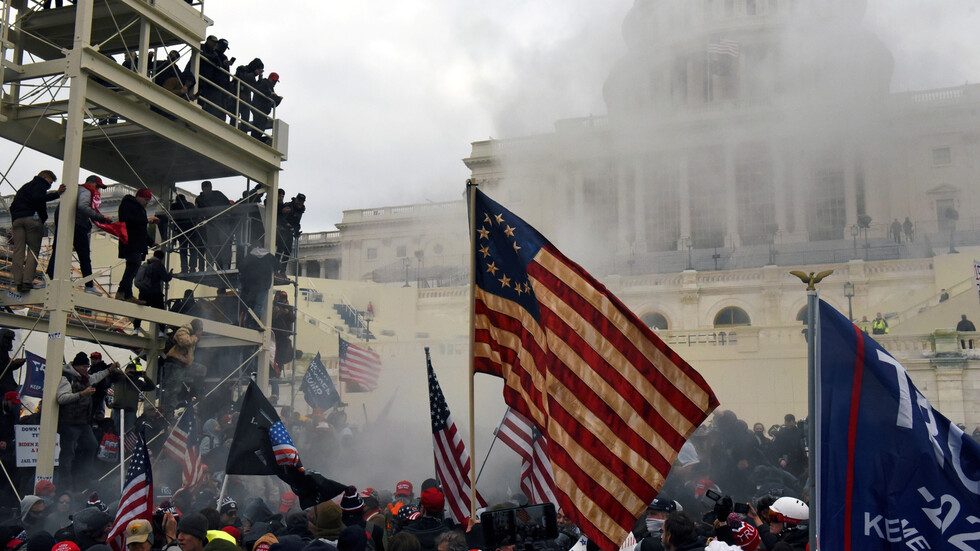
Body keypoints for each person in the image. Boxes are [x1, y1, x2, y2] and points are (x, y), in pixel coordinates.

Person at [56, 352, 118, 492]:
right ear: (76, 366)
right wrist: (81, 394)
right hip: (69, 422)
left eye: (87, 366)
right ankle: (65, 485)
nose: (86, 369)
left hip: (83, 423)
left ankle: (84, 476)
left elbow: (96, 376)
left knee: (92, 445)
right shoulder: (67, 378)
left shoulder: (85, 378)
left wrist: (109, 370)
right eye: (84, 366)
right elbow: (61, 398)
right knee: (68, 454)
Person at [46, 175, 113, 295]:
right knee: (84, 256)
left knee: (57, 252)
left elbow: (59, 210)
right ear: (90, 183)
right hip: (77, 226)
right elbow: (82, 206)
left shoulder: (74, 190)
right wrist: (101, 217)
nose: (98, 190)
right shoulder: (86, 190)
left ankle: (48, 279)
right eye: (97, 186)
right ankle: (89, 285)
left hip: (65, 224)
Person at [10, 170, 66, 292]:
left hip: (17, 220)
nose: (49, 185)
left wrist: (14, 220)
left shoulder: (24, 187)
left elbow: (12, 206)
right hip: (32, 219)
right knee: (33, 251)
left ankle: (18, 281)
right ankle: (27, 282)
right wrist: (56, 194)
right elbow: (38, 199)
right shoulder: (40, 184)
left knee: (18, 251)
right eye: (50, 182)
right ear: (45, 177)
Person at [117, 189, 160, 303]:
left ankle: (127, 293)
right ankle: (122, 291)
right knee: (133, 265)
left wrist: (151, 242)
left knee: (133, 268)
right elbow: (130, 221)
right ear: (139, 197)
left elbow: (141, 230)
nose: (147, 203)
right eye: (146, 200)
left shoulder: (140, 209)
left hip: (136, 243)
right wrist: (146, 220)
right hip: (130, 242)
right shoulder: (128, 204)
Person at [161, 319, 204, 412]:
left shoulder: (190, 334)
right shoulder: (183, 330)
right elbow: (184, 341)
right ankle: (168, 413)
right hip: (175, 363)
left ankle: (194, 394)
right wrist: (196, 337)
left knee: (201, 370)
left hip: (183, 365)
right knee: (173, 389)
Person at [109, 360, 155, 436]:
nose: (131, 373)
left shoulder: (138, 382)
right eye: (129, 370)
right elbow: (111, 375)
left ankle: (125, 447)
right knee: (115, 432)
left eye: (133, 371)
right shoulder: (119, 378)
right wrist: (121, 372)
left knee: (128, 434)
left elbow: (151, 387)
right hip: (117, 409)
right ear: (125, 370)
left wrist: (145, 376)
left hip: (130, 412)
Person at [133, 250, 174, 334]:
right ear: (161, 258)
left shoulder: (146, 264)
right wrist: (170, 274)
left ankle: (136, 329)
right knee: (160, 312)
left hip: (143, 292)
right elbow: (165, 278)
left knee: (140, 311)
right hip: (155, 293)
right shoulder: (159, 265)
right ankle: (161, 331)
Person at [196, 181, 233, 270]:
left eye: (208, 188)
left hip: (221, 223)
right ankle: (210, 266)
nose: (207, 190)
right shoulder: (200, 199)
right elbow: (198, 212)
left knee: (224, 245)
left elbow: (228, 207)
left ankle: (225, 265)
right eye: (205, 188)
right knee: (212, 246)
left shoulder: (218, 195)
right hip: (211, 225)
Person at [239, 245, 277, 325]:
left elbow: (241, 267)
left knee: (250, 304)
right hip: (263, 285)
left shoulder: (250, 256)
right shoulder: (268, 256)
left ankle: (248, 320)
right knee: (259, 305)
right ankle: (254, 322)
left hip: (251, 285)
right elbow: (278, 266)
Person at [0, 392, 22, 513]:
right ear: (6, 401)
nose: (14, 406)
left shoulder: (11, 416)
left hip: (7, 451)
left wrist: (8, 443)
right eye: (12, 403)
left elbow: (13, 434)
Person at [171, 194, 203, 273]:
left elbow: (173, 219)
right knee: (193, 250)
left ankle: (184, 268)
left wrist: (174, 238)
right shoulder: (190, 205)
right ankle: (192, 268)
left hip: (181, 230)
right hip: (193, 230)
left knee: (183, 250)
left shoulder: (174, 206)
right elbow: (196, 216)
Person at [231, 58, 264, 131]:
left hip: (246, 100)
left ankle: (243, 133)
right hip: (237, 96)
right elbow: (244, 79)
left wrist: (260, 80)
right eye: (259, 69)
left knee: (245, 121)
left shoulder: (252, 76)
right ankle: (231, 130)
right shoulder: (242, 69)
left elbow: (255, 88)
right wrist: (254, 73)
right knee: (234, 118)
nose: (259, 72)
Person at [276, 194, 305, 274]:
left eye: (302, 201)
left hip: (289, 232)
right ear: (296, 199)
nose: (300, 203)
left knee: (287, 251)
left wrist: (296, 230)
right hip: (282, 230)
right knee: (280, 249)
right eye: (299, 200)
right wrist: (287, 225)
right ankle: (275, 268)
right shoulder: (289, 206)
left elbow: (297, 223)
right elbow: (281, 218)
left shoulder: (300, 210)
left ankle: (282, 271)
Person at [250, 72, 282, 142]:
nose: (275, 82)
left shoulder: (270, 87)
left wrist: (278, 100)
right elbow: (259, 90)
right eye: (274, 80)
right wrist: (270, 93)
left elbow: (273, 105)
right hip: (258, 108)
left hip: (263, 110)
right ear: (270, 78)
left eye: (276, 81)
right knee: (258, 125)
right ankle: (254, 139)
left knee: (261, 126)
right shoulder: (264, 82)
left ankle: (256, 139)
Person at [0, 329, 26, 395]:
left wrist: (15, 364)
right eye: (6, 339)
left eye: (10, 340)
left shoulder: (4, 352)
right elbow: (2, 368)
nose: (8, 342)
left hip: (7, 389)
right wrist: (14, 364)